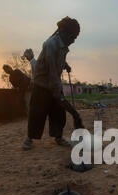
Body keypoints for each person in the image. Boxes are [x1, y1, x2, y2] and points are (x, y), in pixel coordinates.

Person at [23, 17, 84, 150]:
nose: (73, 41)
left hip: (54, 81)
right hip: (42, 84)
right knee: (37, 113)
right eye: (73, 37)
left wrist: (65, 65)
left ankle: (58, 137)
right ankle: (29, 138)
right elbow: (51, 69)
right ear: (65, 33)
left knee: (58, 112)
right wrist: (57, 91)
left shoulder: (62, 44)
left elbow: (58, 60)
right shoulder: (50, 44)